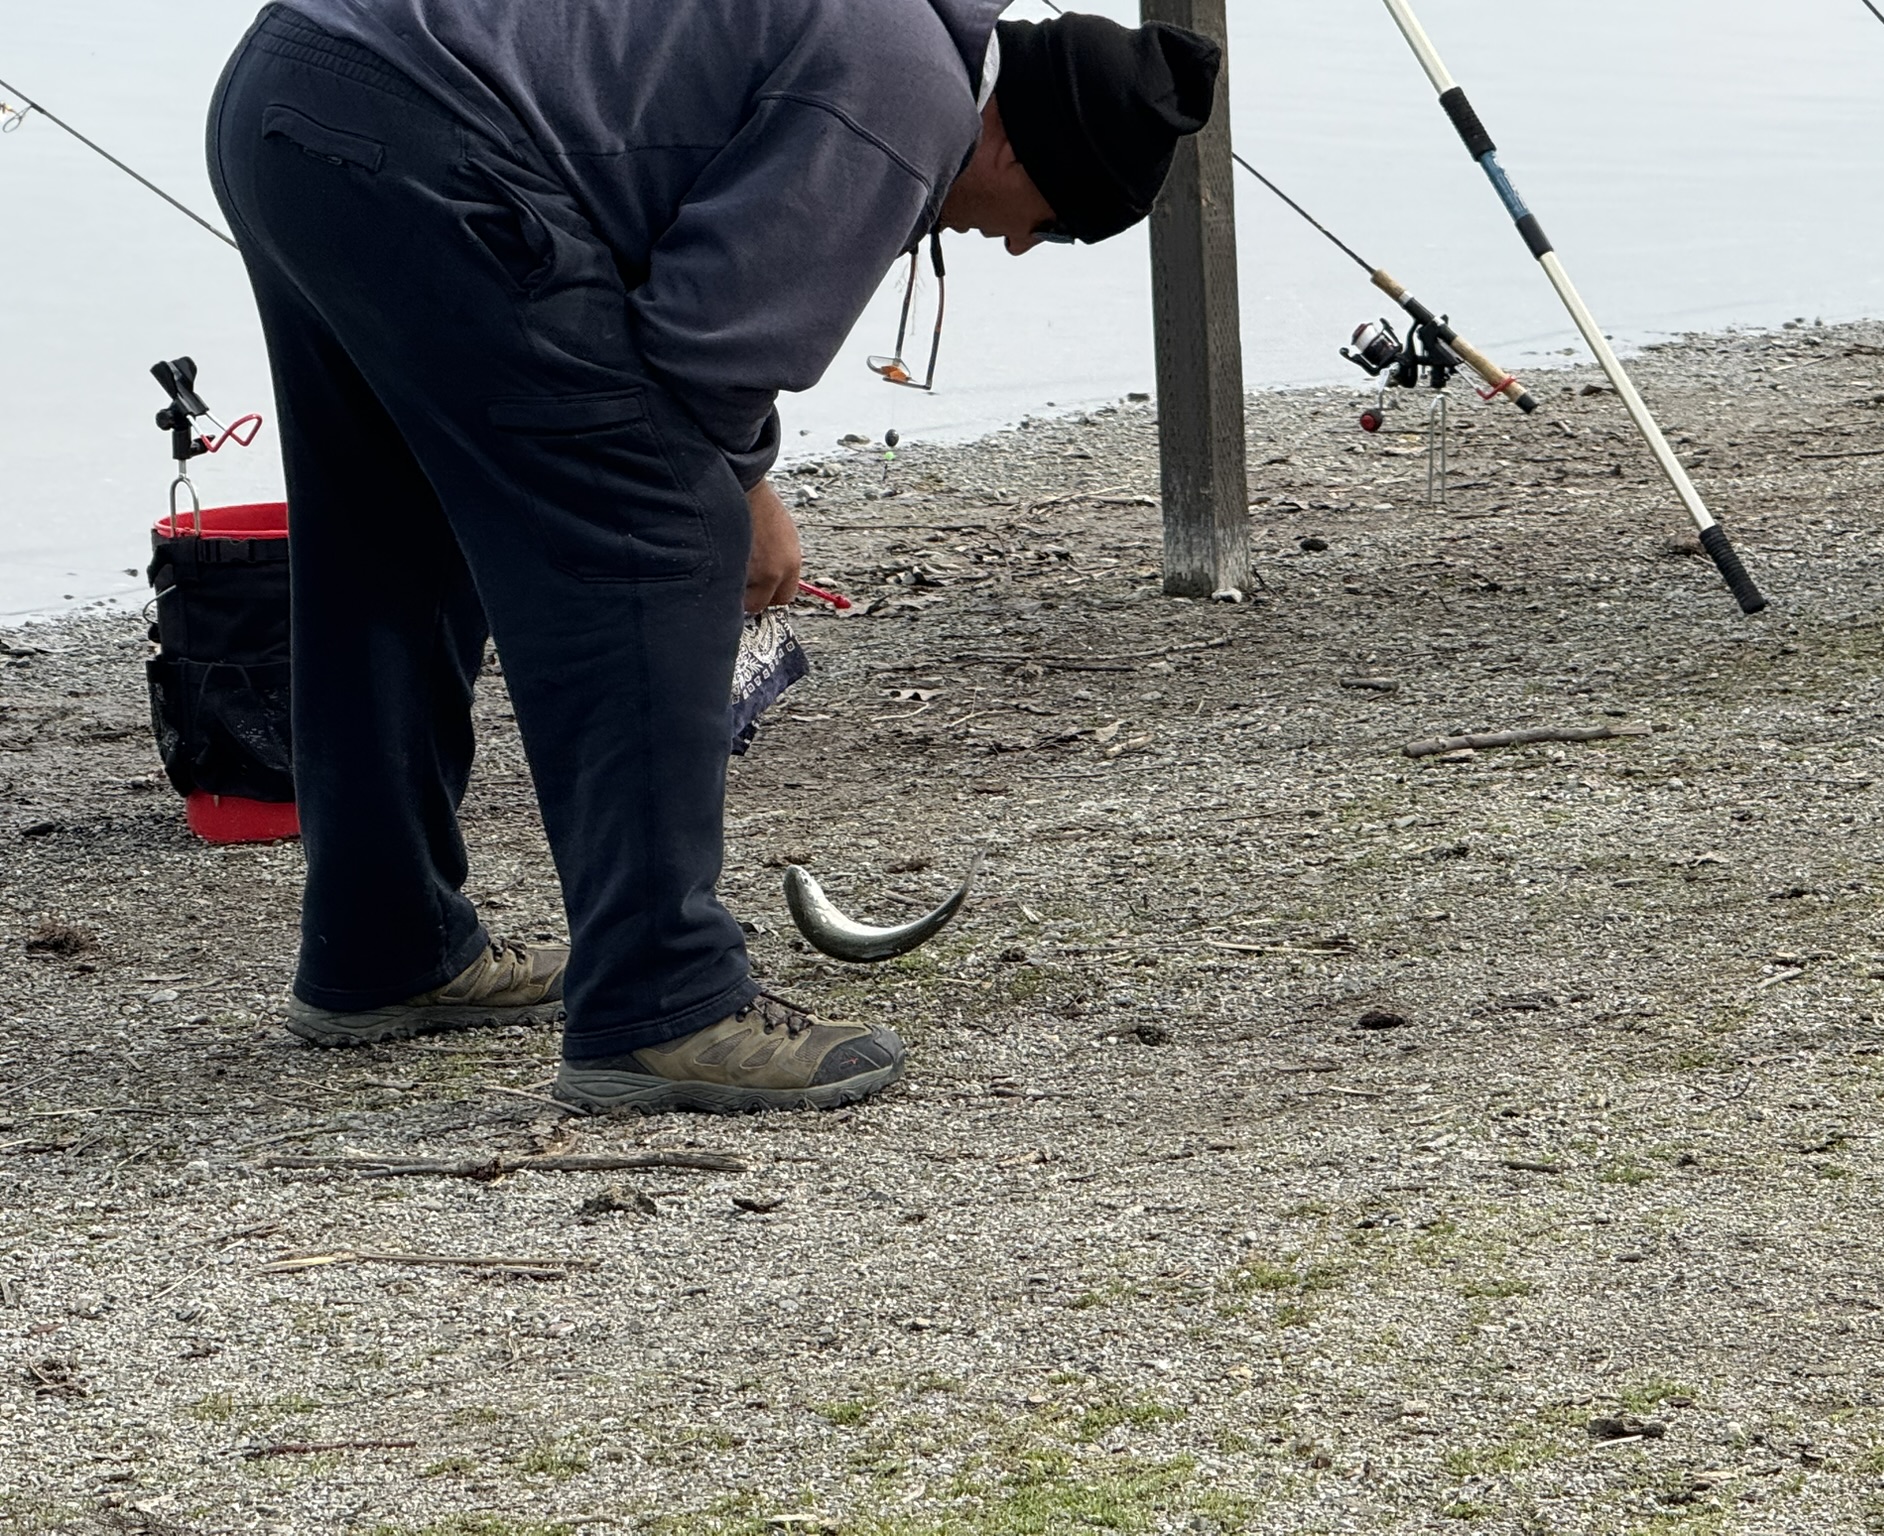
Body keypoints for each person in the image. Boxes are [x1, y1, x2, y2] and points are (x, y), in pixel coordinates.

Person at [205, 0, 1220, 1115]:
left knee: (390, 539)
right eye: (1056, 221)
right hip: (420, 132)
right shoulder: (906, 94)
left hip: (291, 88)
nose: (1021, 243)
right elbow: (704, 355)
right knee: (659, 527)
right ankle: (665, 1004)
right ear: (1016, 140)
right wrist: (748, 498)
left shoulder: (876, 30)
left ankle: (382, 948)